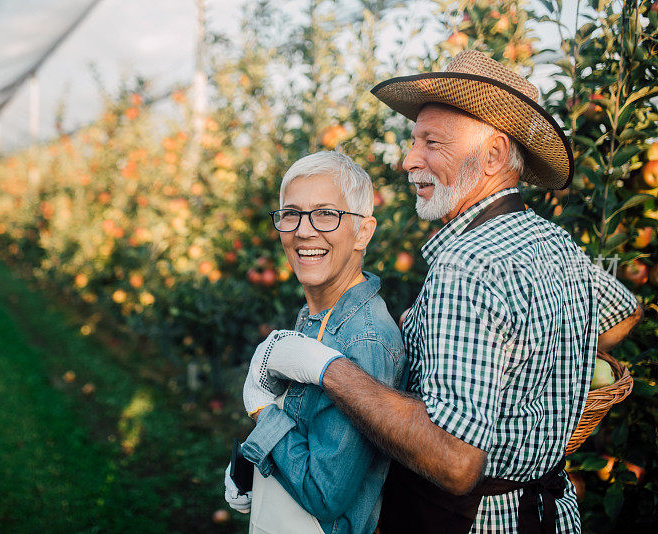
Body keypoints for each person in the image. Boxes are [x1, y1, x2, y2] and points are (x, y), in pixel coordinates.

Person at [243, 50, 642, 533]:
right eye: (414, 141)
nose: (410, 160)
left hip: (471, 520)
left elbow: (456, 464)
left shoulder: (466, 264)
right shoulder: (555, 243)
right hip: (548, 512)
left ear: (493, 153)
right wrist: (532, 353)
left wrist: (328, 369)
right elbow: (625, 316)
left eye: (432, 142)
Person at [223, 151, 408, 533]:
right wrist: (252, 464)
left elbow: (325, 493)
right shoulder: (315, 317)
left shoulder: (364, 340)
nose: (304, 231)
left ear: (363, 231)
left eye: (326, 214)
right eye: (291, 214)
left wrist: (261, 415)